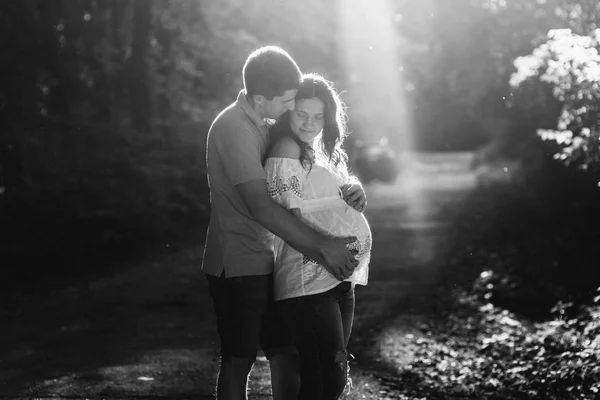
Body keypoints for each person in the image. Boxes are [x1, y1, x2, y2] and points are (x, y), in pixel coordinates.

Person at [202, 46, 367, 400]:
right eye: (288, 101)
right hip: (240, 260)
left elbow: (305, 185)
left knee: (286, 354)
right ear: (260, 99)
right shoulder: (234, 127)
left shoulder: (264, 123)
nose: (292, 109)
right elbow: (261, 207)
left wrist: (349, 188)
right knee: (239, 358)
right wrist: (323, 247)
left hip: (274, 258)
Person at [265, 73, 372, 400]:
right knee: (323, 380)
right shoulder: (285, 148)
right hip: (309, 282)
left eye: (318, 116)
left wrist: (355, 187)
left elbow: (326, 195)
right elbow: (288, 212)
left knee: (332, 375)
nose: (309, 124)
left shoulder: (319, 149)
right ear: (288, 112)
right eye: (301, 115)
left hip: (338, 279)